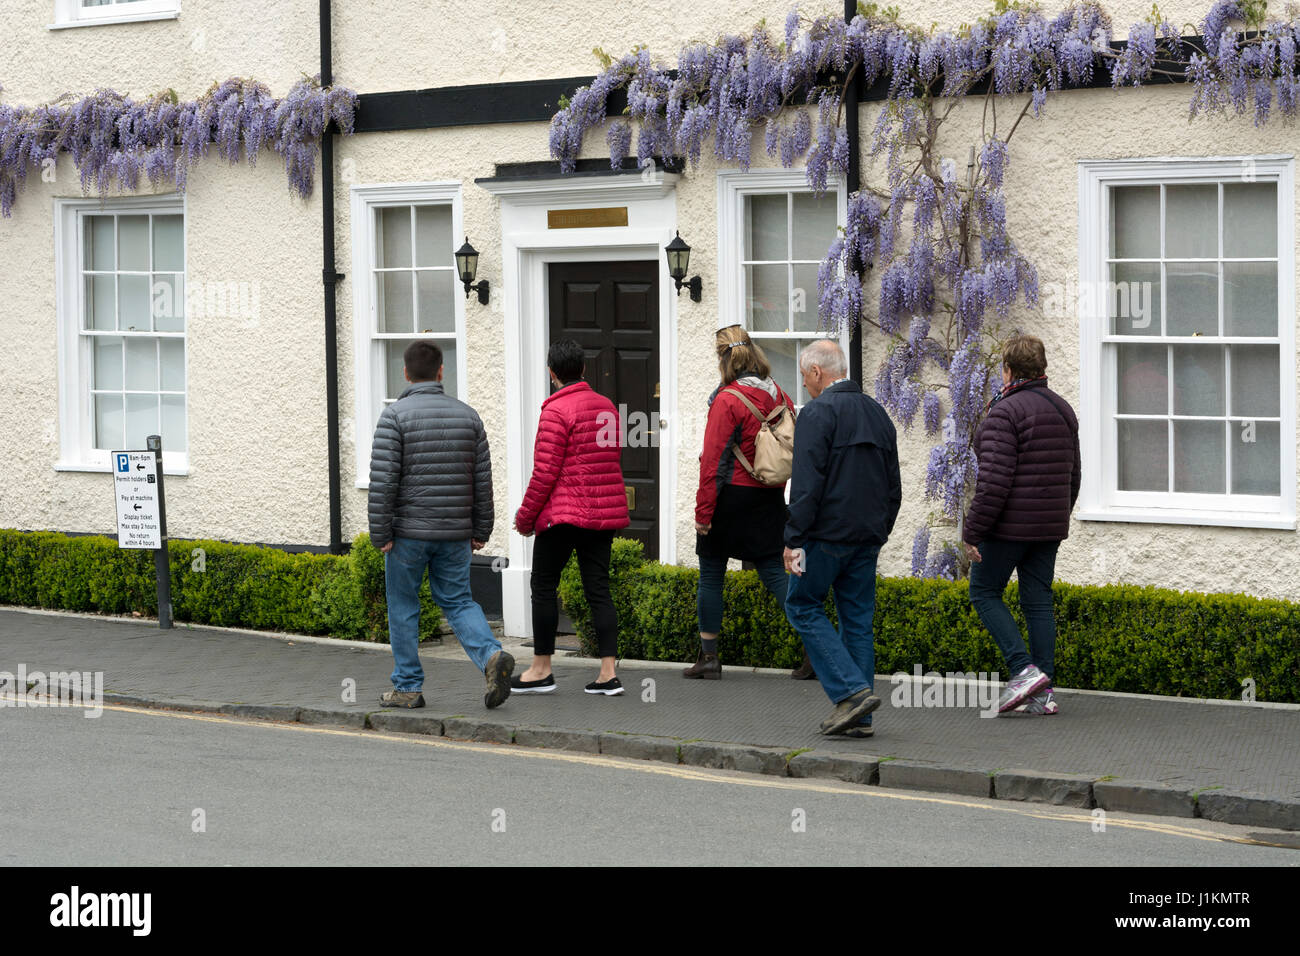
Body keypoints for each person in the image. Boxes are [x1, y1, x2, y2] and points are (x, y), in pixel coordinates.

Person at [368, 341, 514, 710]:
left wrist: (380, 533)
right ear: (441, 371)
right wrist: (481, 529)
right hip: (454, 533)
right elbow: (482, 480)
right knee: (459, 601)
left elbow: (383, 481)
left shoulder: (394, 416)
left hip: (408, 535)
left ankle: (407, 687)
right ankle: (491, 657)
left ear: (404, 373)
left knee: (403, 605)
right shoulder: (469, 416)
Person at [783, 340, 901, 737]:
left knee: (801, 605)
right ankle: (861, 717)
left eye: (804, 376)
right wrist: (880, 531)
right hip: (866, 538)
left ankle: (850, 693)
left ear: (818, 372)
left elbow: (806, 484)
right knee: (857, 623)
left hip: (824, 536)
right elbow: (893, 487)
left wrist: (793, 537)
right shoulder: (878, 413)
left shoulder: (817, 413)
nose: (804, 385)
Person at [963, 334, 1080, 716]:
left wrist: (973, 530)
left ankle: (1022, 670)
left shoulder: (1005, 412)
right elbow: (1074, 475)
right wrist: (1058, 514)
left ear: (1008, 370)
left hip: (1008, 528)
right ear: (1042, 368)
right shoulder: (1063, 409)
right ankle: (1042, 692)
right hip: (1048, 526)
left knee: (983, 592)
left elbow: (994, 482)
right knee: (1037, 601)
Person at [512, 339, 631, 696]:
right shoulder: (607, 406)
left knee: (543, 585)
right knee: (598, 588)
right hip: (602, 514)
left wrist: (525, 517)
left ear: (552, 373)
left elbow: (545, 473)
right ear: (583, 369)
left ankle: (541, 668)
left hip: (563, 515)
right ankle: (608, 673)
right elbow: (611, 459)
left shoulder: (555, 411)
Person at [687, 325, 799, 680]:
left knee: (711, 575)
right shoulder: (780, 394)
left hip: (729, 497)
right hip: (768, 495)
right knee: (774, 574)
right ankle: (817, 648)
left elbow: (712, 462)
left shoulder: (727, 400)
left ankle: (709, 658)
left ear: (724, 359)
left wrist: (703, 514)